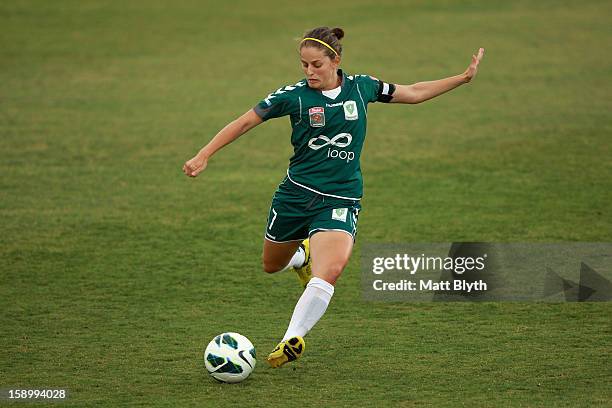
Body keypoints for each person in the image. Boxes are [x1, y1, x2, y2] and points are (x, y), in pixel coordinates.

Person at [183, 26, 485, 368]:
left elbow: (413, 92)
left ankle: (290, 338)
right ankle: (300, 256)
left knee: (331, 269)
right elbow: (244, 122)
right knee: (272, 265)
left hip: (341, 197)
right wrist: (204, 154)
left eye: (316, 64)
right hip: (294, 196)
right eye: (304, 65)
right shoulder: (293, 96)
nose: (309, 72)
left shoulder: (363, 87)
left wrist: (462, 78)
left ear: (335, 60)